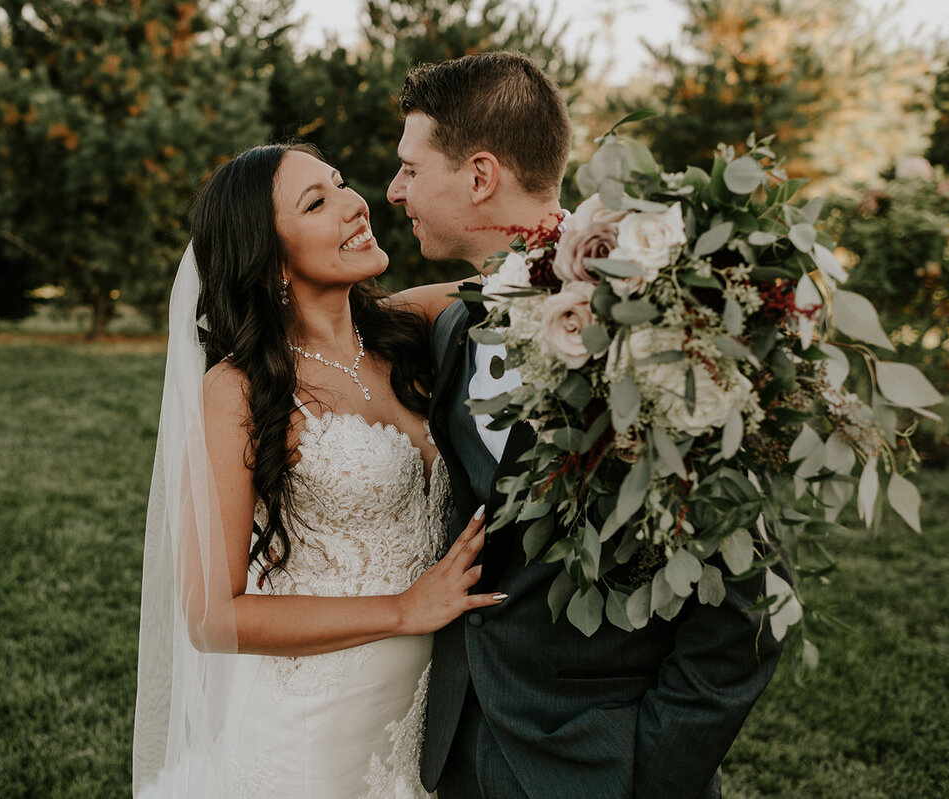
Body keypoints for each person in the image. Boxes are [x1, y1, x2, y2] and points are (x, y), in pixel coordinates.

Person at [386, 51, 785, 799]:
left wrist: (650, 775)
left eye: (411, 168)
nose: (394, 189)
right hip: (462, 751)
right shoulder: (456, 332)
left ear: (479, 176)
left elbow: (747, 602)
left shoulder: (656, 329)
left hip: (601, 763)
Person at [133, 142, 505, 798]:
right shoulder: (240, 389)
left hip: (427, 716)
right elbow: (211, 617)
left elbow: (535, 278)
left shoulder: (407, 327)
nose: (354, 204)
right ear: (271, 260)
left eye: (339, 183)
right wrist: (401, 609)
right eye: (317, 202)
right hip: (312, 733)